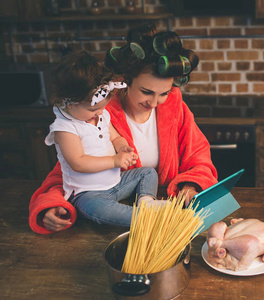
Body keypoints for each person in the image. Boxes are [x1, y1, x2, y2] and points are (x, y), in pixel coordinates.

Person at [29, 24, 218, 234]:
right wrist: (51, 204)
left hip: (156, 199)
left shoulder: (175, 108)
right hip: (110, 218)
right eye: (146, 92)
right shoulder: (96, 111)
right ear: (125, 82)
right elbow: (65, 171)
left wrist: (191, 186)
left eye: (164, 93)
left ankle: (150, 206)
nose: (155, 102)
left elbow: (198, 156)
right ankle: (151, 217)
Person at [44, 51, 160, 227]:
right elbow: (79, 162)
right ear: (69, 103)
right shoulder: (65, 128)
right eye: (93, 110)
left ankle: (146, 202)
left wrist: (122, 148)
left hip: (116, 183)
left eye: (101, 108)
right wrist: (114, 160)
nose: (99, 113)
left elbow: (115, 137)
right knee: (104, 210)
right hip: (87, 194)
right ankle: (143, 217)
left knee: (147, 172)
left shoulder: (101, 115)